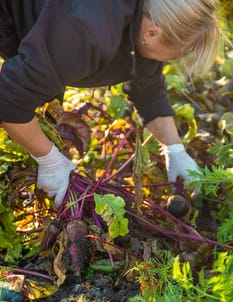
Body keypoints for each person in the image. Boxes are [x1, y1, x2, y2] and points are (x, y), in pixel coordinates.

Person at [0, 0, 220, 207]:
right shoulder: (88, 35)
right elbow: (9, 101)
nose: (170, 60)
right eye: (174, 55)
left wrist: (175, 149)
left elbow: (148, 91)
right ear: (152, 33)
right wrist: (49, 159)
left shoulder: (142, 18)